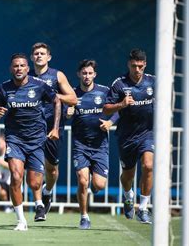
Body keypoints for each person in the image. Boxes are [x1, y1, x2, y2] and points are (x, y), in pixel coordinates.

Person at [0, 53, 61, 231]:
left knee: (34, 182)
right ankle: (21, 220)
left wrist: (55, 128)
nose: (19, 69)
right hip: (15, 139)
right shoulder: (3, 89)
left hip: (37, 139)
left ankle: (41, 199)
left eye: (22, 65)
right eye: (16, 66)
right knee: (16, 177)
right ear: (11, 69)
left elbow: (57, 101)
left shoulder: (39, 86)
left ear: (27, 68)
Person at [103, 49, 154, 224]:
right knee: (128, 176)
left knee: (148, 166)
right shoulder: (119, 84)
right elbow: (106, 108)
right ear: (128, 65)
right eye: (134, 66)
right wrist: (122, 104)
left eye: (140, 66)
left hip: (148, 133)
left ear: (145, 64)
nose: (137, 70)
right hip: (127, 136)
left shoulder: (153, 82)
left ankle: (144, 208)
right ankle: (127, 195)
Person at [66, 59, 119, 229]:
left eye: (90, 73)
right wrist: (68, 113)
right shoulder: (72, 94)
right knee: (82, 181)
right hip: (80, 145)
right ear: (78, 74)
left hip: (100, 146)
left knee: (99, 185)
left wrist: (110, 123)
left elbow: (117, 110)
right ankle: (84, 216)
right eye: (84, 73)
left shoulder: (104, 92)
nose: (87, 76)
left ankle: (94, 188)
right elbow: (64, 113)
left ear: (94, 74)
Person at [30, 42, 77, 221]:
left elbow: (73, 98)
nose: (39, 56)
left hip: (54, 129)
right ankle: (39, 206)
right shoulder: (26, 76)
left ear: (49, 57)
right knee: (35, 170)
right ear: (31, 57)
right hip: (32, 129)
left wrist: (54, 96)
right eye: (36, 53)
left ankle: (47, 192)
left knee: (52, 170)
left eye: (42, 53)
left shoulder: (57, 75)